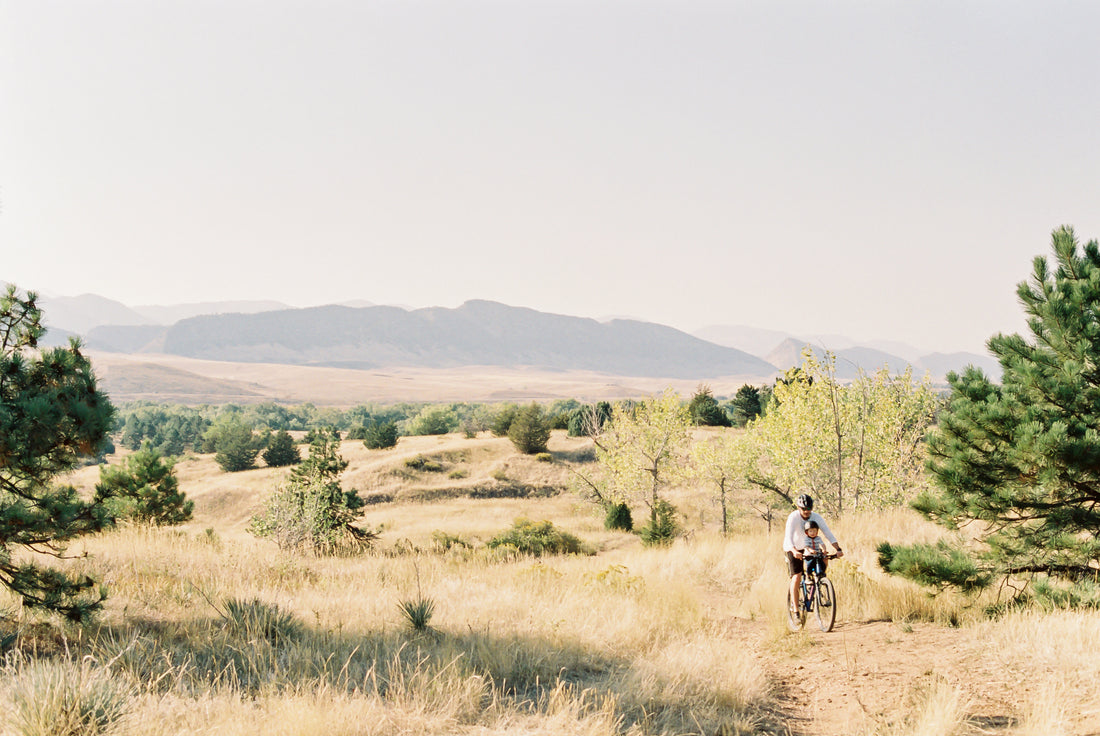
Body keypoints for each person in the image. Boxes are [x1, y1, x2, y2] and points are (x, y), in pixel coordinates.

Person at [784, 494, 843, 614]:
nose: (806, 511)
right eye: (803, 509)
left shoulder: (816, 517)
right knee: (797, 576)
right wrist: (794, 551)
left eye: (809, 508)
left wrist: (838, 548)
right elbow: (788, 537)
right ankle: (795, 609)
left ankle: (818, 580)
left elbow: (827, 533)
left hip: (810, 548)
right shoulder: (793, 517)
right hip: (793, 547)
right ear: (798, 507)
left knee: (824, 557)